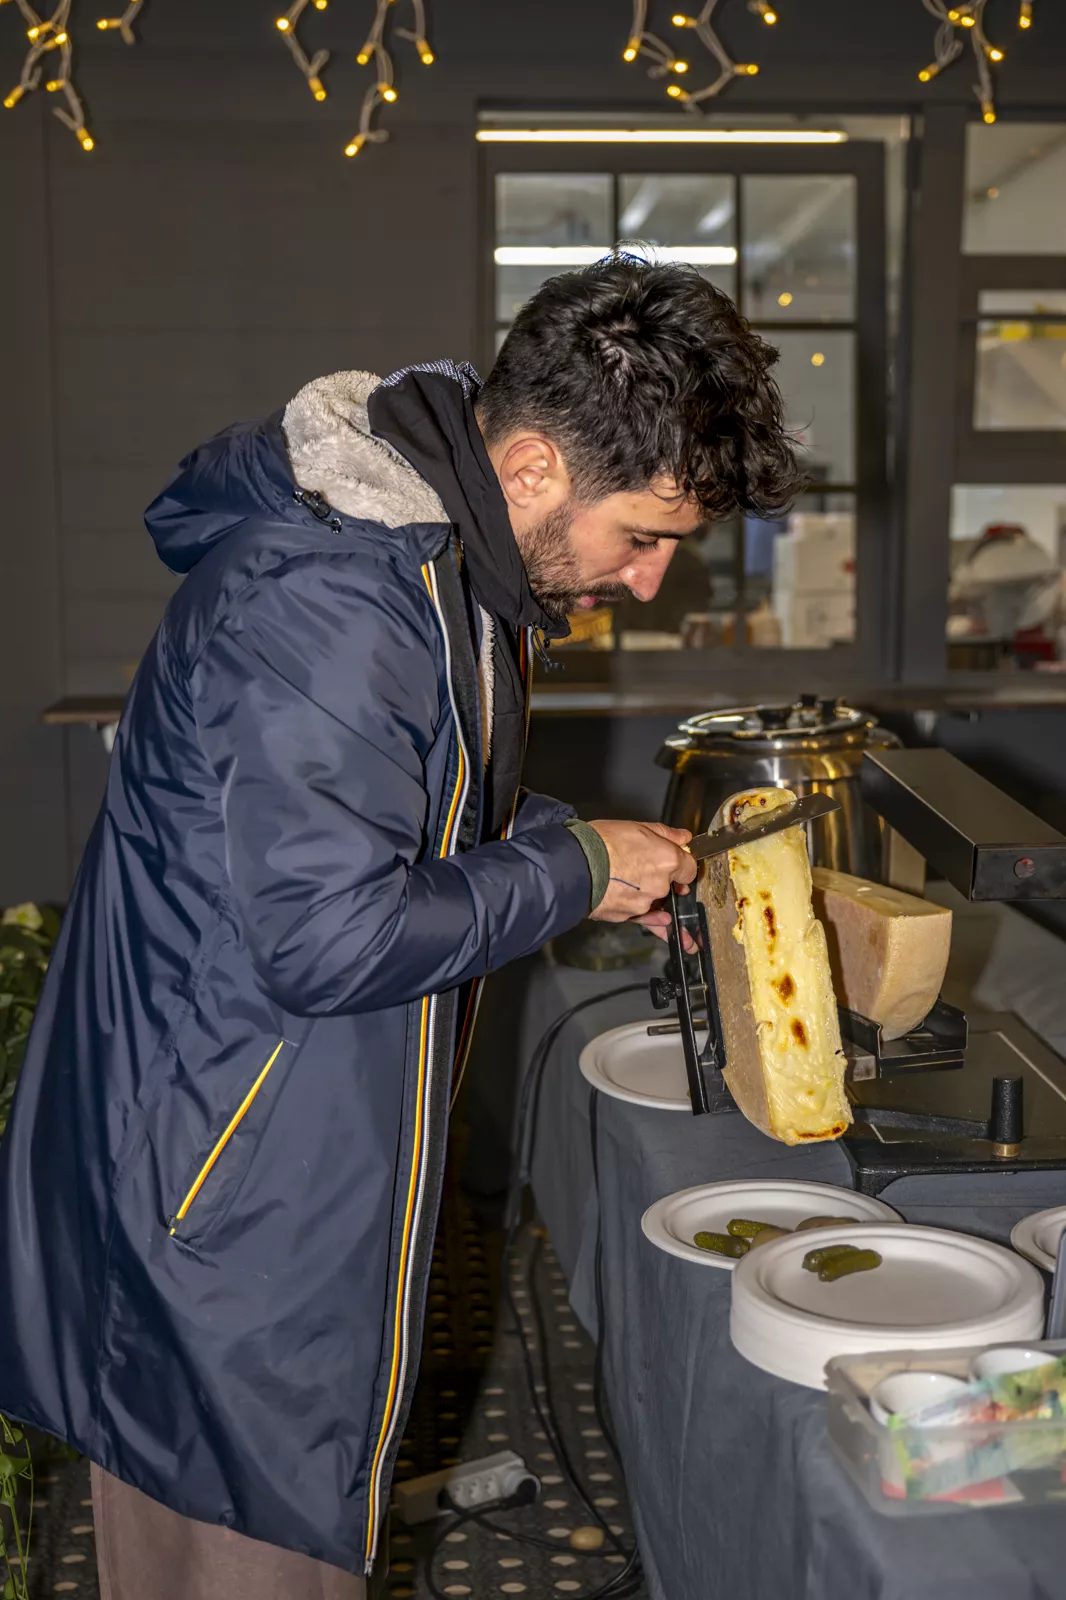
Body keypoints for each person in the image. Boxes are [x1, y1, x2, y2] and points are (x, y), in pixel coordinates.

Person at [0, 255, 800, 1599]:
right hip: (218, 1222)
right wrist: (575, 869)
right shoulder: (329, 600)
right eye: (645, 535)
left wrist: (591, 852)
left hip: (262, 1171)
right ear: (535, 464)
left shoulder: (434, 565)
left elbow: (415, 799)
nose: (651, 582)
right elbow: (323, 937)